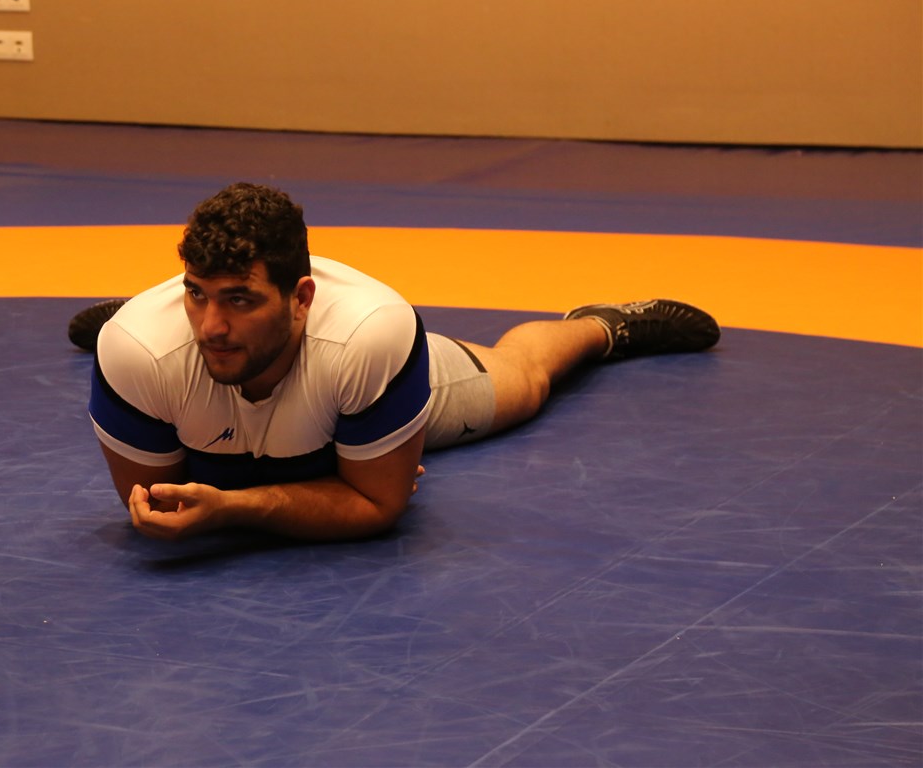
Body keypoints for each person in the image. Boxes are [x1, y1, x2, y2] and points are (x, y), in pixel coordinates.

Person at [71, 183, 719, 542]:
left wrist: (238, 506)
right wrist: (330, 486)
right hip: (227, 390)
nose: (211, 326)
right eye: (195, 296)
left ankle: (601, 327)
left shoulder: (368, 337)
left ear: (300, 300)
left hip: (359, 384)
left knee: (523, 383)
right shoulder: (139, 350)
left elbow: (376, 507)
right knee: (148, 351)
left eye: (240, 300)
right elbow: (154, 505)